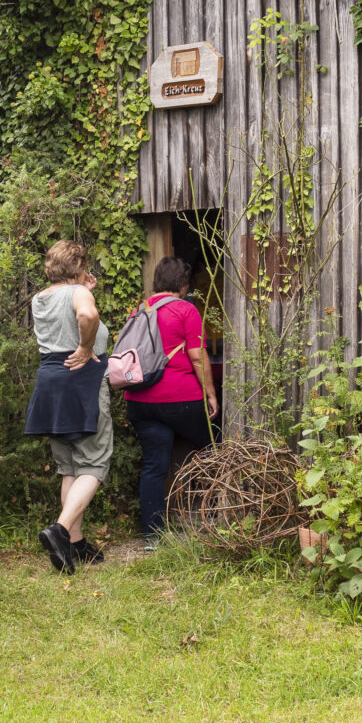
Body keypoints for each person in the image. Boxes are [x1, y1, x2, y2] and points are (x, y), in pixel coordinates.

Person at [25, 240, 109, 572]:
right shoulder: (78, 296)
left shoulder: (40, 298)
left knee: (70, 466)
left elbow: (69, 313)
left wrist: (83, 288)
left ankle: (73, 543)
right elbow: (86, 315)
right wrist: (87, 348)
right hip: (81, 380)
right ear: (78, 265)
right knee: (94, 463)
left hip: (50, 380)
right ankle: (60, 531)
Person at [125, 256, 217, 543]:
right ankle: (216, 515)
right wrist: (211, 394)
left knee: (154, 464)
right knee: (214, 449)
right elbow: (197, 356)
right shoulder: (186, 309)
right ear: (182, 284)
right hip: (182, 398)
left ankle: (152, 536)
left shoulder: (138, 312)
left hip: (140, 399)